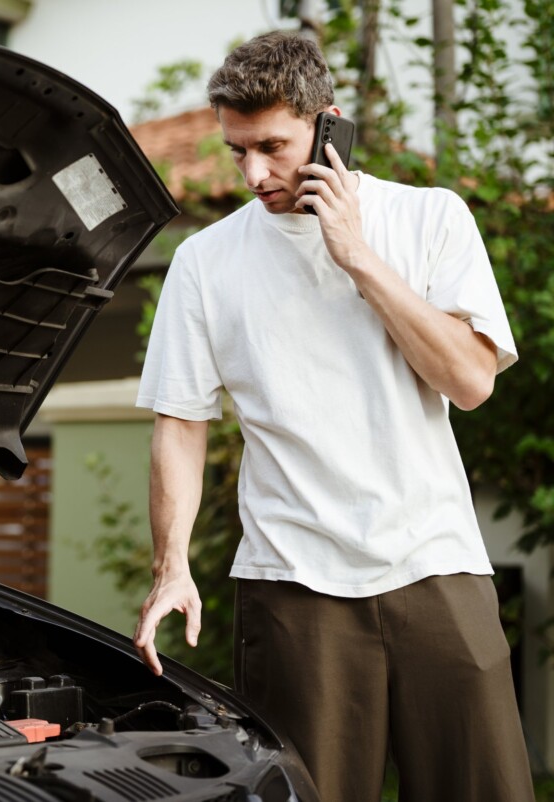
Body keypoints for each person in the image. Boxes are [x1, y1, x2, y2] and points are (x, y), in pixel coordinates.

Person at [132, 30, 533, 801]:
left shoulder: (430, 220)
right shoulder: (204, 263)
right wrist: (170, 565)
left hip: (437, 568)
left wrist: (357, 256)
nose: (253, 173)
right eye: (237, 149)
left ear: (329, 125)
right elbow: (181, 423)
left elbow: (472, 380)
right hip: (292, 590)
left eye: (272, 147)